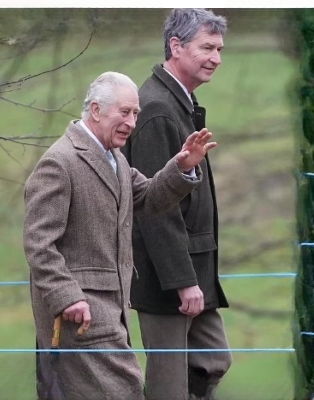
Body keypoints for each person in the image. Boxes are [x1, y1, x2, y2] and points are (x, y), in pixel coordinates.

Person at [24, 71, 217, 400]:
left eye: (136, 113)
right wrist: (67, 296)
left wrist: (182, 167)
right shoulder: (59, 162)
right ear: (96, 110)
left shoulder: (113, 158)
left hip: (112, 310)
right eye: (125, 113)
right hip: (81, 313)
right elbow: (39, 244)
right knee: (124, 391)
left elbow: (148, 197)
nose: (132, 121)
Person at [121, 8, 231, 400]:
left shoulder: (180, 101)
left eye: (219, 48)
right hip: (165, 274)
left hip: (192, 267)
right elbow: (155, 207)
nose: (216, 57)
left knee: (213, 360)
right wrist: (183, 280)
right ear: (175, 46)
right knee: (168, 387)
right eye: (207, 47)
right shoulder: (156, 108)